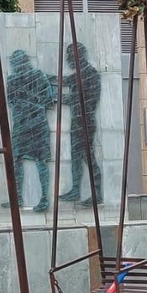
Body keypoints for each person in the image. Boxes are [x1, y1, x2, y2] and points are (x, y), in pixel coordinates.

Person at [7, 49, 56, 211]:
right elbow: (11, 101)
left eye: (16, 62)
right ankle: (17, 197)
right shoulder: (12, 80)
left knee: (41, 161)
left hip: (38, 126)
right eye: (13, 63)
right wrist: (29, 102)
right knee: (15, 161)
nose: (14, 66)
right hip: (20, 126)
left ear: (24, 61)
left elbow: (49, 100)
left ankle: (44, 199)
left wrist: (28, 101)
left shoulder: (38, 76)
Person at [58, 40, 103, 205]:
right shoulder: (79, 74)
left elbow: (84, 99)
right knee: (75, 157)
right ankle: (76, 190)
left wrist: (61, 98)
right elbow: (61, 81)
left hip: (85, 122)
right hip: (77, 122)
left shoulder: (89, 73)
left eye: (70, 55)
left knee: (88, 157)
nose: (68, 59)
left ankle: (97, 193)